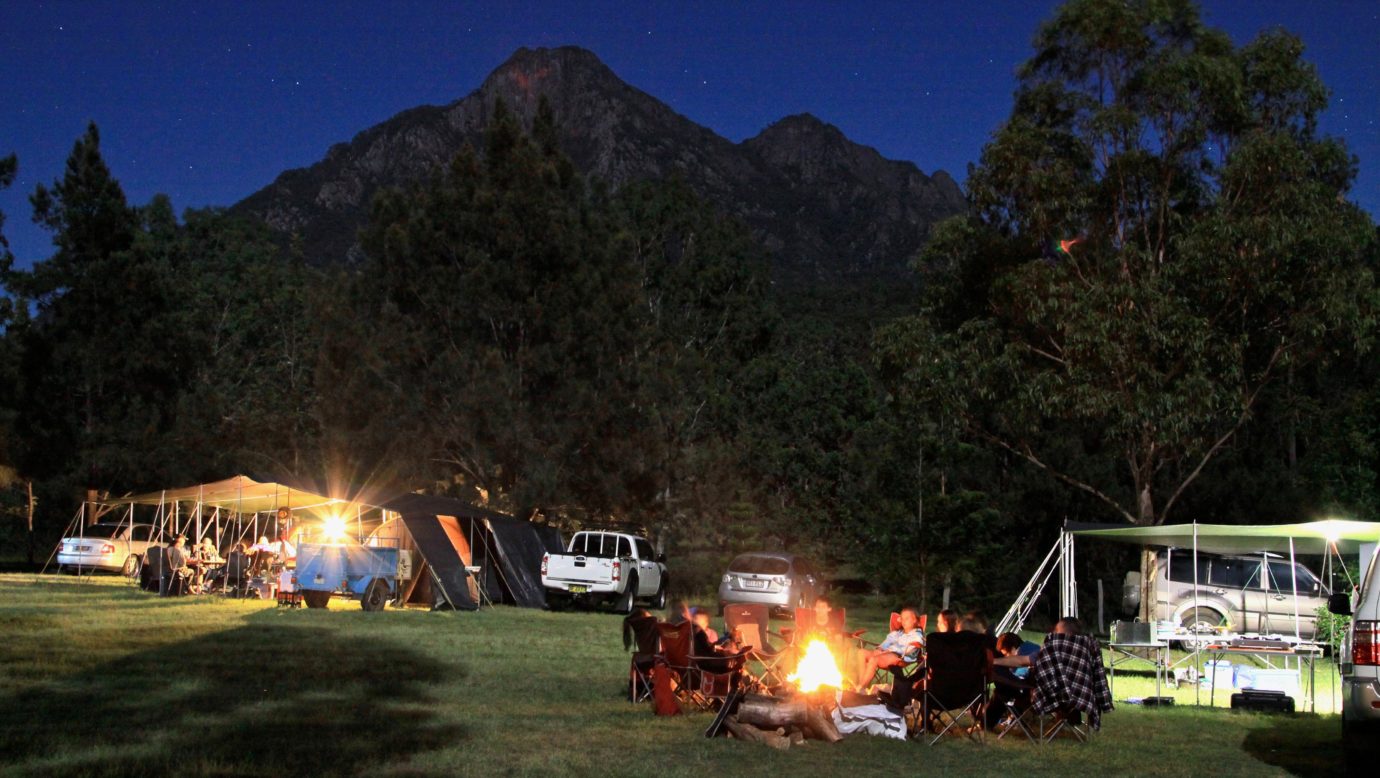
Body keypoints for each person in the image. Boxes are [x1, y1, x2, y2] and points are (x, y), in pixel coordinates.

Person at [856, 606, 925, 691]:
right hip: (887, 653)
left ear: (915, 620)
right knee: (862, 652)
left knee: (874, 660)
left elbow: (911, 649)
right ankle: (862, 686)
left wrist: (889, 650)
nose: (904, 621)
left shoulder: (916, 635)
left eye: (907, 618)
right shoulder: (897, 633)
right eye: (902, 618)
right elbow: (886, 643)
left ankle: (860, 688)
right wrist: (881, 649)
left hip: (900, 657)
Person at [987, 632, 1039, 729]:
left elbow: (1021, 676)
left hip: (1032, 691)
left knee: (1003, 689)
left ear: (1013, 648)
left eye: (1006, 654)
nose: (1007, 658)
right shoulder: (1032, 647)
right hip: (1040, 688)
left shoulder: (1023, 653)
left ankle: (987, 723)